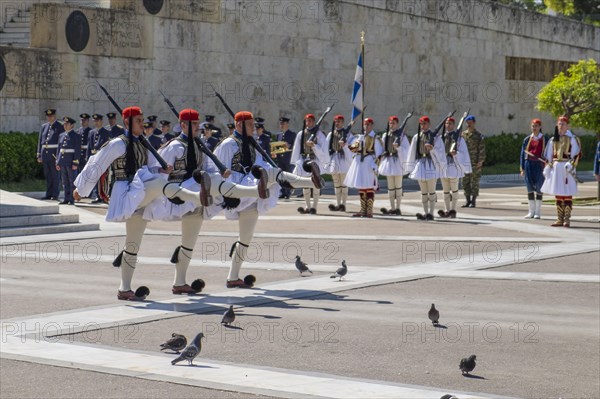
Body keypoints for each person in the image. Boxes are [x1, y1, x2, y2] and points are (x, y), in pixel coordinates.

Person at [144, 109, 270, 294]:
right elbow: (155, 170)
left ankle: (180, 283)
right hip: (180, 196)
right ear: (184, 125)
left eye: (197, 123)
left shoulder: (199, 145)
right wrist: (166, 183)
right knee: (187, 241)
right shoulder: (174, 147)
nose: (198, 127)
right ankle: (178, 282)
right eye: (194, 124)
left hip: (197, 196)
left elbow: (210, 168)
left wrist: (221, 174)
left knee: (189, 242)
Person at [74, 106, 179, 301]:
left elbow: (149, 168)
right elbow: (97, 163)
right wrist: (80, 190)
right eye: (139, 120)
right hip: (125, 192)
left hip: (141, 192)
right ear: (128, 123)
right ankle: (186, 195)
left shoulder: (143, 143)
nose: (143, 123)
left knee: (133, 245)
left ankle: (125, 288)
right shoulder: (117, 143)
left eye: (142, 120)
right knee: (159, 186)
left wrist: (163, 170)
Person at [214, 111, 322, 288]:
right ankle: (310, 182)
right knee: (272, 173)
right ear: (239, 125)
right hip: (238, 192)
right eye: (250, 125)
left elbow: (261, 166)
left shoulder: (251, 144)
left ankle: (232, 278)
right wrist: (227, 195)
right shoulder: (227, 145)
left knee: (245, 239)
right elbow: (220, 172)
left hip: (253, 193)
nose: (254, 129)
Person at [541, 116, 581, 227]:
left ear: (568, 126)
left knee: (567, 193)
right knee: (558, 193)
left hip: (566, 168)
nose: (561, 126)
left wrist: (571, 164)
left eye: (563, 124)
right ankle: (559, 218)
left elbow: (577, 154)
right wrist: (548, 166)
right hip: (556, 168)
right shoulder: (553, 139)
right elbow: (548, 156)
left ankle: (567, 219)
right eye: (559, 124)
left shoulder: (572, 138)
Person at [407, 115, 446, 220]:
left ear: (429, 124)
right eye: (421, 124)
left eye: (424, 123)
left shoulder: (436, 137)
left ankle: (431, 213)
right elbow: (412, 152)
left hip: (431, 164)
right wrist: (410, 166)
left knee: (431, 190)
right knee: (423, 191)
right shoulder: (417, 137)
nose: (423, 126)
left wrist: (432, 149)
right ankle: (425, 212)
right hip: (420, 163)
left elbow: (441, 151)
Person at [290, 113, 329, 214]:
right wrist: (296, 161)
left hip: (315, 160)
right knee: (305, 184)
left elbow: (323, 149)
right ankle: (308, 206)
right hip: (304, 160)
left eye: (310, 121)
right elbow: (297, 147)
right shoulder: (301, 134)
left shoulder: (319, 134)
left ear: (314, 122)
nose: (308, 123)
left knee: (315, 184)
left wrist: (314, 146)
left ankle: (314, 207)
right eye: (307, 121)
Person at [345, 118, 383, 218]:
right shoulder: (360, 137)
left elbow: (380, 154)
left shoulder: (375, 138)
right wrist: (354, 143)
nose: (366, 127)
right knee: (362, 186)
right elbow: (353, 149)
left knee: (369, 186)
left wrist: (376, 165)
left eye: (368, 125)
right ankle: (363, 209)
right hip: (360, 163)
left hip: (369, 163)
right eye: (364, 125)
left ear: (372, 125)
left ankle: (369, 210)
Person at [438, 114, 471, 218]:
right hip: (444, 165)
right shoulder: (441, 137)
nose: (448, 125)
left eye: (450, 123)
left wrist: (456, 154)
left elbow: (464, 152)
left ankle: (453, 210)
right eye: (446, 123)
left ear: (454, 125)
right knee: (446, 190)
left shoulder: (459, 138)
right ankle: (447, 209)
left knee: (454, 189)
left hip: (453, 164)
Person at [378, 115, 410, 216]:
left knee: (398, 186)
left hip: (398, 162)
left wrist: (399, 148)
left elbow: (407, 150)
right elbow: (383, 149)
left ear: (397, 124)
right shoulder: (385, 135)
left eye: (394, 123)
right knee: (391, 187)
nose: (391, 125)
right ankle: (392, 207)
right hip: (389, 161)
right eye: (390, 123)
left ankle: (398, 208)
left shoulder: (402, 136)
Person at [520, 118, 548, 219]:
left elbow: (548, 154)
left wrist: (547, 165)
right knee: (529, 188)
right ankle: (531, 212)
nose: (534, 128)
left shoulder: (545, 139)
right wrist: (522, 168)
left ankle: (537, 212)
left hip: (539, 165)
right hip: (529, 165)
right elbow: (523, 154)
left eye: (536, 126)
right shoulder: (527, 139)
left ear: (540, 127)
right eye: (533, 126)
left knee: (539, 188)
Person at [326, 115, 354, 212]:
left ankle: (344, 204)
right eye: (336, 122)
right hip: (334, 159)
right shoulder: (331, 134)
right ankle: (338, 204)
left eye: (339, 122)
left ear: (343, 122)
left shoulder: (348, 134)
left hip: (344, 159)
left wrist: (345, 145)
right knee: (337, 184)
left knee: (344, 184)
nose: (337, 123)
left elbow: (352, 147)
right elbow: (326, 147)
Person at [37, 108, 64, 200]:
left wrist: (59, 156)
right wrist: (39, 154)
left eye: (51, 116)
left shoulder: (60, 126)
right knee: (48, 175)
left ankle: (55, 194)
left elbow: (61, 142)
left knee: (55, 175)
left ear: (54, 116)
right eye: (48, 116)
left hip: (54, 154)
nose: (49, 118)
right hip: (45, 155)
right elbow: (40, 141)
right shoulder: (44, 126)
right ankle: (48, 194)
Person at [56, 116, 81, 205]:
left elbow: (77, 150)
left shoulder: (76, 136)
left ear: (72, 125)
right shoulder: (61, 135)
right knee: (64, 181)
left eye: (67, 124)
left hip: (70, 162)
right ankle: (66, 198)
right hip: (63, 162)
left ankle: (71, 198)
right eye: (64, 124)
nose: (65, 125)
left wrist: (75, 162)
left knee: (72, 181)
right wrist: (57, 162)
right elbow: (59, 149)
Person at [461, 115, 485, 208]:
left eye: (470, 122)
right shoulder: (463, 135)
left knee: (475, 182)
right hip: (465, 162)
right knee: (465, 181)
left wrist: (481, 160)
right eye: (467, 122)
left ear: (474, 123)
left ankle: (473, 201)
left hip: (475, 162)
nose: (469, 124)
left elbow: (482, 149)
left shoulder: (478, 135)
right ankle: (467, 201)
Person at [275, 117, 296, 199]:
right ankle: (283, 192)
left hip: (288, 158)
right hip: (280, 159)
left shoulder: (292, 134)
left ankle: (288, 192)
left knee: (288, 176)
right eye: (280, 124)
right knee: (281, 176)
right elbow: (277, 147)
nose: (281, 125)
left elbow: (295, 146)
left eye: (283, 124)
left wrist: (289, 146)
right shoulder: (278, 135)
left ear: (287, 124)